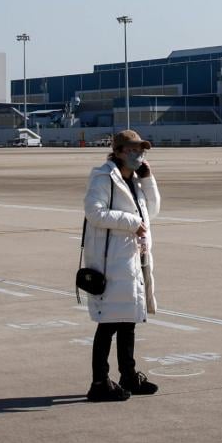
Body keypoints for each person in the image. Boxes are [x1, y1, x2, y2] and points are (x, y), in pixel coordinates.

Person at [81, 129, 161, 402]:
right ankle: (99, 382)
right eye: (133, 150)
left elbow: (152, 211)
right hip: (112, 261)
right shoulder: (104, 177)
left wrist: (148, 180)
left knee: (129, 322)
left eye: (141, 150)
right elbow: (94, 212)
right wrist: (130, 223)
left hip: (132, 260)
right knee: (108, 324)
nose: (138, 155)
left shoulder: (135, 181)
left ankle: (128, 375)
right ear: (117, 151)